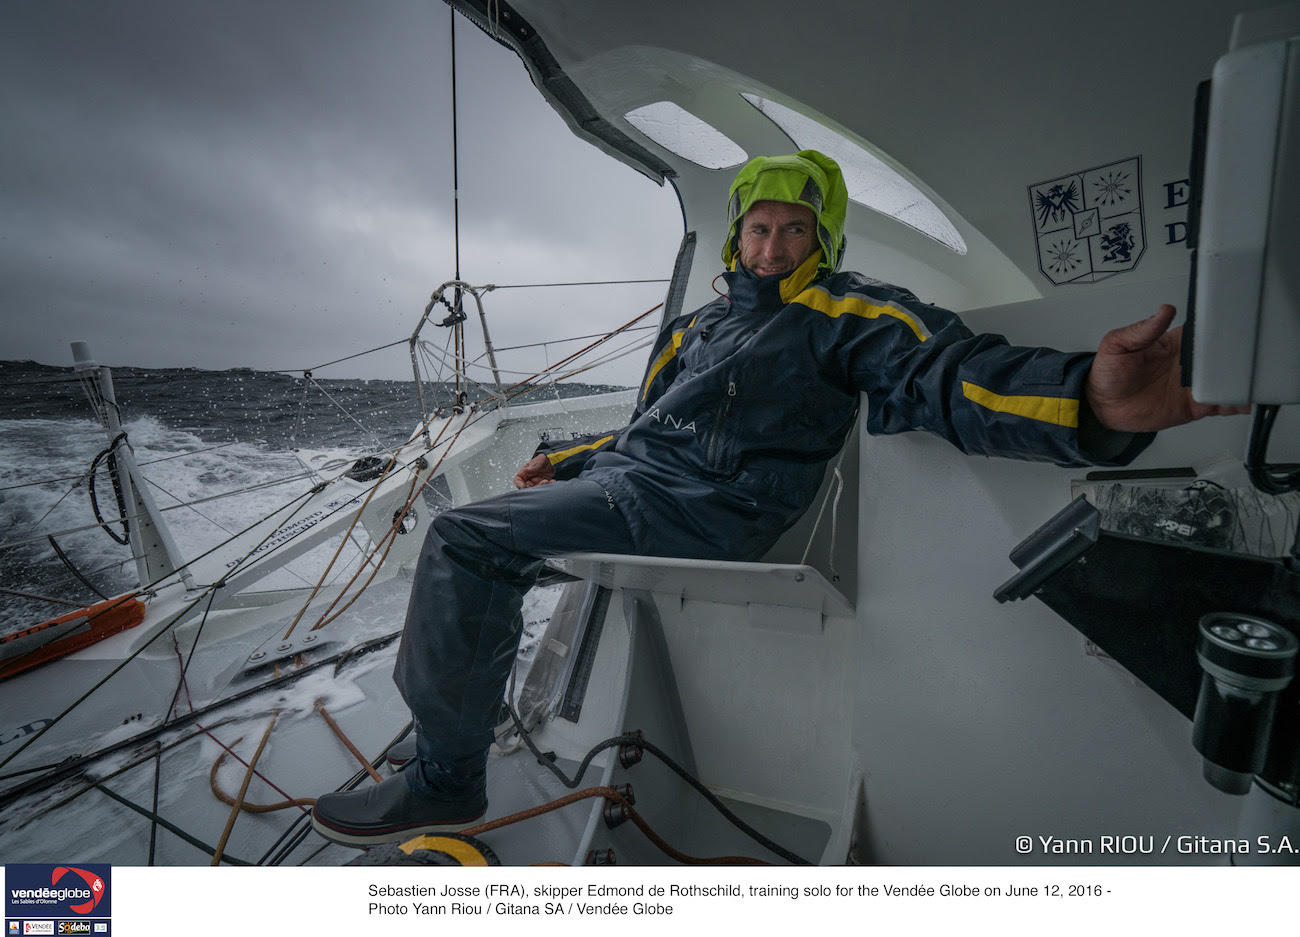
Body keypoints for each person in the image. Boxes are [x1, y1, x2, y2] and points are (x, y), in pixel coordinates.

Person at [310, 151, 1244, 846]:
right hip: (643, 487)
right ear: (736, 236)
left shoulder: (847, 311)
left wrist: (1090, 398)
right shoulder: (695, 327)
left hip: (715, 512)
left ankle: (446, 776)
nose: (773, 244)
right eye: (759, 227)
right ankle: (444, 731)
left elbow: (948, 375)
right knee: (479, 537)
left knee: (465, 539)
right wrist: (566, 461)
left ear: (822, 239)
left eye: (796, 228)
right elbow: (645, 430)